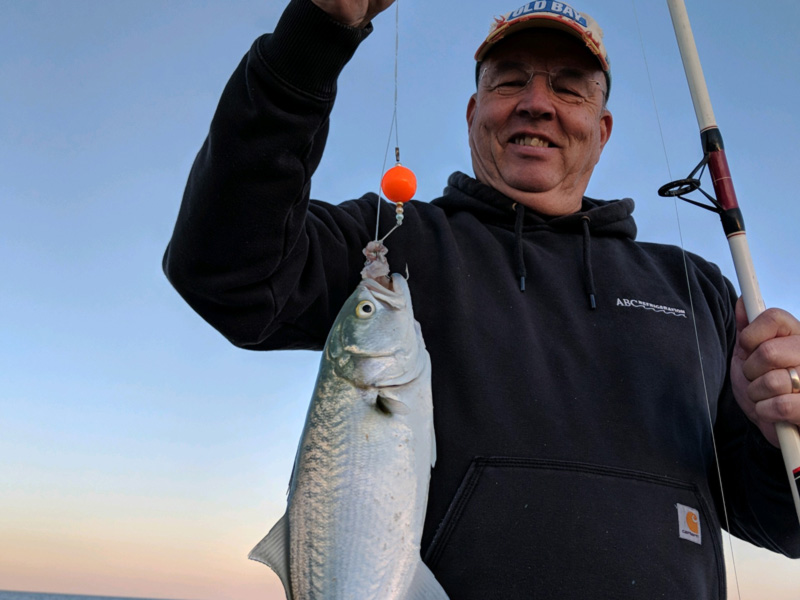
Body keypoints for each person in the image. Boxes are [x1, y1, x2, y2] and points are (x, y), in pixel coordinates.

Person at [163, 0, 800, 597]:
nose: (536, 104)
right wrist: (314, 35)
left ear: (601, 131)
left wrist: (783, 436)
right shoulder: (391, 246)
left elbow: (783, 522)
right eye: (508, 81)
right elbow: (226, 273)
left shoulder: (700, 289)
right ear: (473, 114)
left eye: (568, 85)